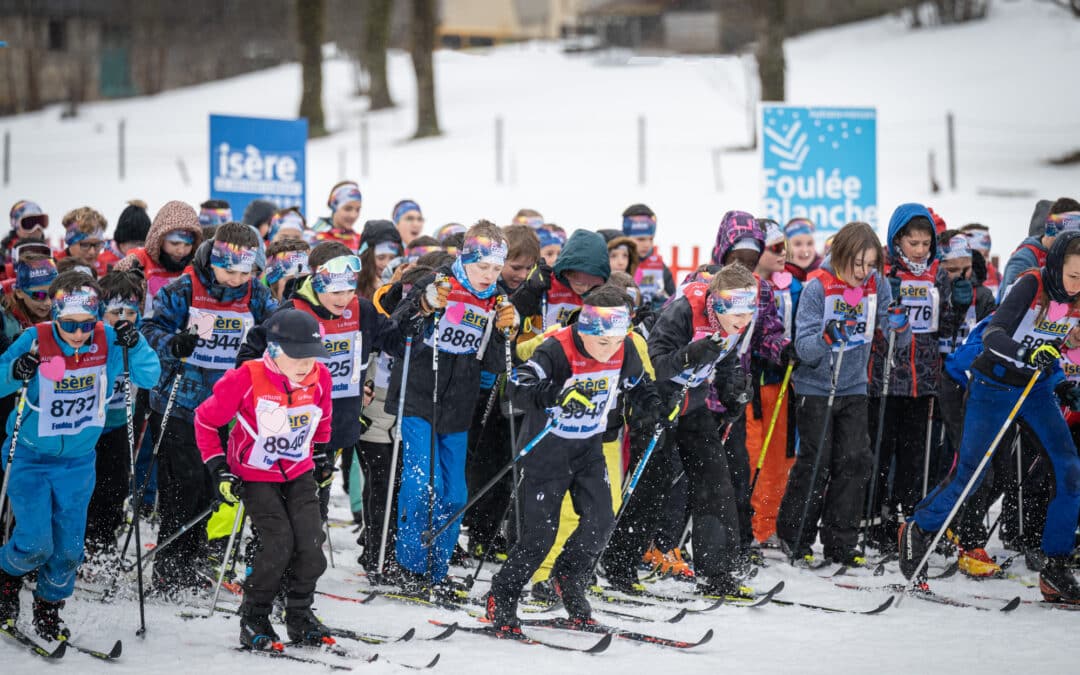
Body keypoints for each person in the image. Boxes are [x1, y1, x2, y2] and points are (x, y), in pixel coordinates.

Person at [900, 231, 1080, 604]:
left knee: (1068, 467)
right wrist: (1027, 355)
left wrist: (1061, 381)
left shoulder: (1076, 299)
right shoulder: (1032, 284)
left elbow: (1053, 342)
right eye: (1074, 276)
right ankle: (920, 528)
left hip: (1036, 389)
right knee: (973, 472)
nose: (1078, 286)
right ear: (1057, 264)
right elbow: (994, 335)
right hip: (994, 384)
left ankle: (1056, 566)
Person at [485, 286, 661, 633]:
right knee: (539, 538)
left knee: (601, 522)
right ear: (585, 328)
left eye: (615, 341)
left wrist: (654, 408)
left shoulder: (623, 348)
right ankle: (502, 596)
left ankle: (568, 578)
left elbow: (639, 385)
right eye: (601, 342)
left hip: (587, 450)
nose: (608, 350)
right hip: (546, 453)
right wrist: (556, 393)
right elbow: (516, 386)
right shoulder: (558, 347)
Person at [0, 272, 159, 640]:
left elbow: (150, 377)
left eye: (87, 324)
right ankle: (7, 577)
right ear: (55, 316)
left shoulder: (109, 341)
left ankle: (49, 606)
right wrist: (16, 370)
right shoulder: (34, 338)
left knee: (70, 547)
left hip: (78, 461)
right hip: (30, 457)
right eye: (69, 325)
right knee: (36, 542)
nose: (78, 334)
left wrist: (135, 347)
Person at [602, 264, 758, 596]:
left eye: (748, 312)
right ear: (716, 302)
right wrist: (691, 354)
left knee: (715, 481)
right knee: (651, 482)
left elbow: (726, 359)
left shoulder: (738, 320)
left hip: (692, 402)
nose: (742, 322)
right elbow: (655, 363)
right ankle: (619, 564)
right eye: (735, 311)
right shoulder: (684, 310)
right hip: (655, 399)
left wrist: (733, 392)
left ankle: (716, 572)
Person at [142, 222, 277, 596]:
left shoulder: (256, 294)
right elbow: (148, 331)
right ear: (213, 259)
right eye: (228, 270)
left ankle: (194, 559)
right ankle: (170, 569)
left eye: (244, 271)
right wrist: (175, 342)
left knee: (211, 489)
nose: (236, 279)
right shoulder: (183, 289)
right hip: (181, 403)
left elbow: (276, 328)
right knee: (182, 488)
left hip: (227, 408)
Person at [386, 221, 518, 595]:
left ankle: (437, 567)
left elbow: (494, 363)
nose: (488, 276)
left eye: (495, 269)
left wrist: (507, 330)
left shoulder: (496, 299)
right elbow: (395, 334)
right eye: (482, 268)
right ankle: (409, 566)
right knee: (421, 485)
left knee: (455, 493)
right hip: (418, 396)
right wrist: (424, 306)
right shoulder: (436, 282)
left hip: (459, 404)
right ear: (465, 258)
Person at [196, 309, 334, 648]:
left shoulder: (321, 377)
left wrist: (320, 454)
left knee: (312, 543)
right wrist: (218, 468)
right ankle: (254, 616)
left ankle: (299, 613)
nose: (306, 364)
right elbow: (205, 420)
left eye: (312, 356)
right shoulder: (247, 377)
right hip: (255, 475)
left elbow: (323, 421)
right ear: (273, 350)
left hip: (298, 471)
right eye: (298, 356)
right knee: (277, 543)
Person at [776, 221, 909, 565]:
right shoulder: (817, 287)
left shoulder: (876, 284)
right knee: (816, 463)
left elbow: (898, 337)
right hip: (816, 387)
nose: (864, 273)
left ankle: (841, 541)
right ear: (843, 255)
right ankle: (795, 535)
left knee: (854, 460)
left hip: (853, 385)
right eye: (858, 264)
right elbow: (803, 347)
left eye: (870, 265)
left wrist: (900, 325)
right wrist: (827, 338)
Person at [865, 204, 946, 552]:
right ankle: (873, 520)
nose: (919, 250)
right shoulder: (882, 272)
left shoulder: (937, 274)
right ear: (897, 240)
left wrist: (956, 303)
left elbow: (947, 326)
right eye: (913, 243)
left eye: (925, 243)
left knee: (914, 454)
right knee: (881, 451)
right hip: (886, 377)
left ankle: (904, 520)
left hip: (923, 378)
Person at [463, 224, 541, 560]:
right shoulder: (486, 285)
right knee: (478, 460)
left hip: (505, 386)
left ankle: (489, 532)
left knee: (502, 460)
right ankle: (475, 529)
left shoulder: (526, 291)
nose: (520, 275)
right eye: (514, 266)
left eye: (528, 268)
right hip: (474, 387)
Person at [83, 269, 149, 565]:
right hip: (88, 426)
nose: (124, 317)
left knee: (116, 486)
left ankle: (103, 544)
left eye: (130, 311)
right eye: (115, 311)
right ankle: (81, 544)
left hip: (121, 423)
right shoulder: (90, 336)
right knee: (88, 487)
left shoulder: (137, 338)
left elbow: (148, 374)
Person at [746, 218, 798, 546]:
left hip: (782, 379)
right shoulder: (743, 283)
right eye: (776, 248)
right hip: (752, 383)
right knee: (754, 456)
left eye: (786, 247)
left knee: (778, 458)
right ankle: (751, 526)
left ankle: (768, 525)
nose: (784, 254)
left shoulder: (790, 284)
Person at [512, 229, 610, 342]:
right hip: (538, 349)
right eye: (578, 282)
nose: (584, 288)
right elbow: (515, 313)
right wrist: (530, 290)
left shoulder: (603, 294)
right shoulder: (546, 283)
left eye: (592, 284)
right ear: (566, 272)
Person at [114, 200, 205, 316]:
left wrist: (198, 334)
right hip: (142, 331)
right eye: (174, 243)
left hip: (184, 332)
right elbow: (114, 310)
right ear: (160, 239)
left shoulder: (197, 267)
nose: (181, 251)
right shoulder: (135, 263)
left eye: (187, 245)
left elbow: (206, 309)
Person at [998, 198, 1080, 301]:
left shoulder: (1074, 257)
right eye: (1068, 237)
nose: (1074, 244)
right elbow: (1009, 302)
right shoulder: (1024, 259)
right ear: (1052, 230)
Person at [622, 203, 674, 309]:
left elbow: (674, 299)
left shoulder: (659, 266)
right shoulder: (618, 264)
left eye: (651, 239)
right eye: (640, 239)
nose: (647, 245)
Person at [99, 200, 151, 272]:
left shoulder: (150, 262)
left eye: (143, 244)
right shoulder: (101, 263)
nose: (139, 248)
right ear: (121, 243)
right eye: (135, 243)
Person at [54, 207, 108, 276]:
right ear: (70, 243)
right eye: (85, 245)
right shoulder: (52, 269)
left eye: (97, 245)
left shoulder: (105, 268)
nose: (92, 252)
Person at [357, 220, 403, 300]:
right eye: (381, 257)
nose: (387, 264)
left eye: (392, 258)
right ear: (367, 259)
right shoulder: (353, 287)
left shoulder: (405, 287)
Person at [312, 181, 363, 251]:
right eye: (348, 209)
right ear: (334, 207)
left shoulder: (361, 242)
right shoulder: (315, 238)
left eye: (357, 210)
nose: (353, 215)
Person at [0, 201, 48, 269]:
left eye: (41, 222)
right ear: (16, 225)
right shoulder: (4, 255)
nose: (36, 229)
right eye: (29, 223)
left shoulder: (51, 252)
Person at [959, 222, 1000, 297]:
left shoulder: (997, 276)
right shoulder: (953, 276)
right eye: (977, 256)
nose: (984, 261)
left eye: (986, 255)